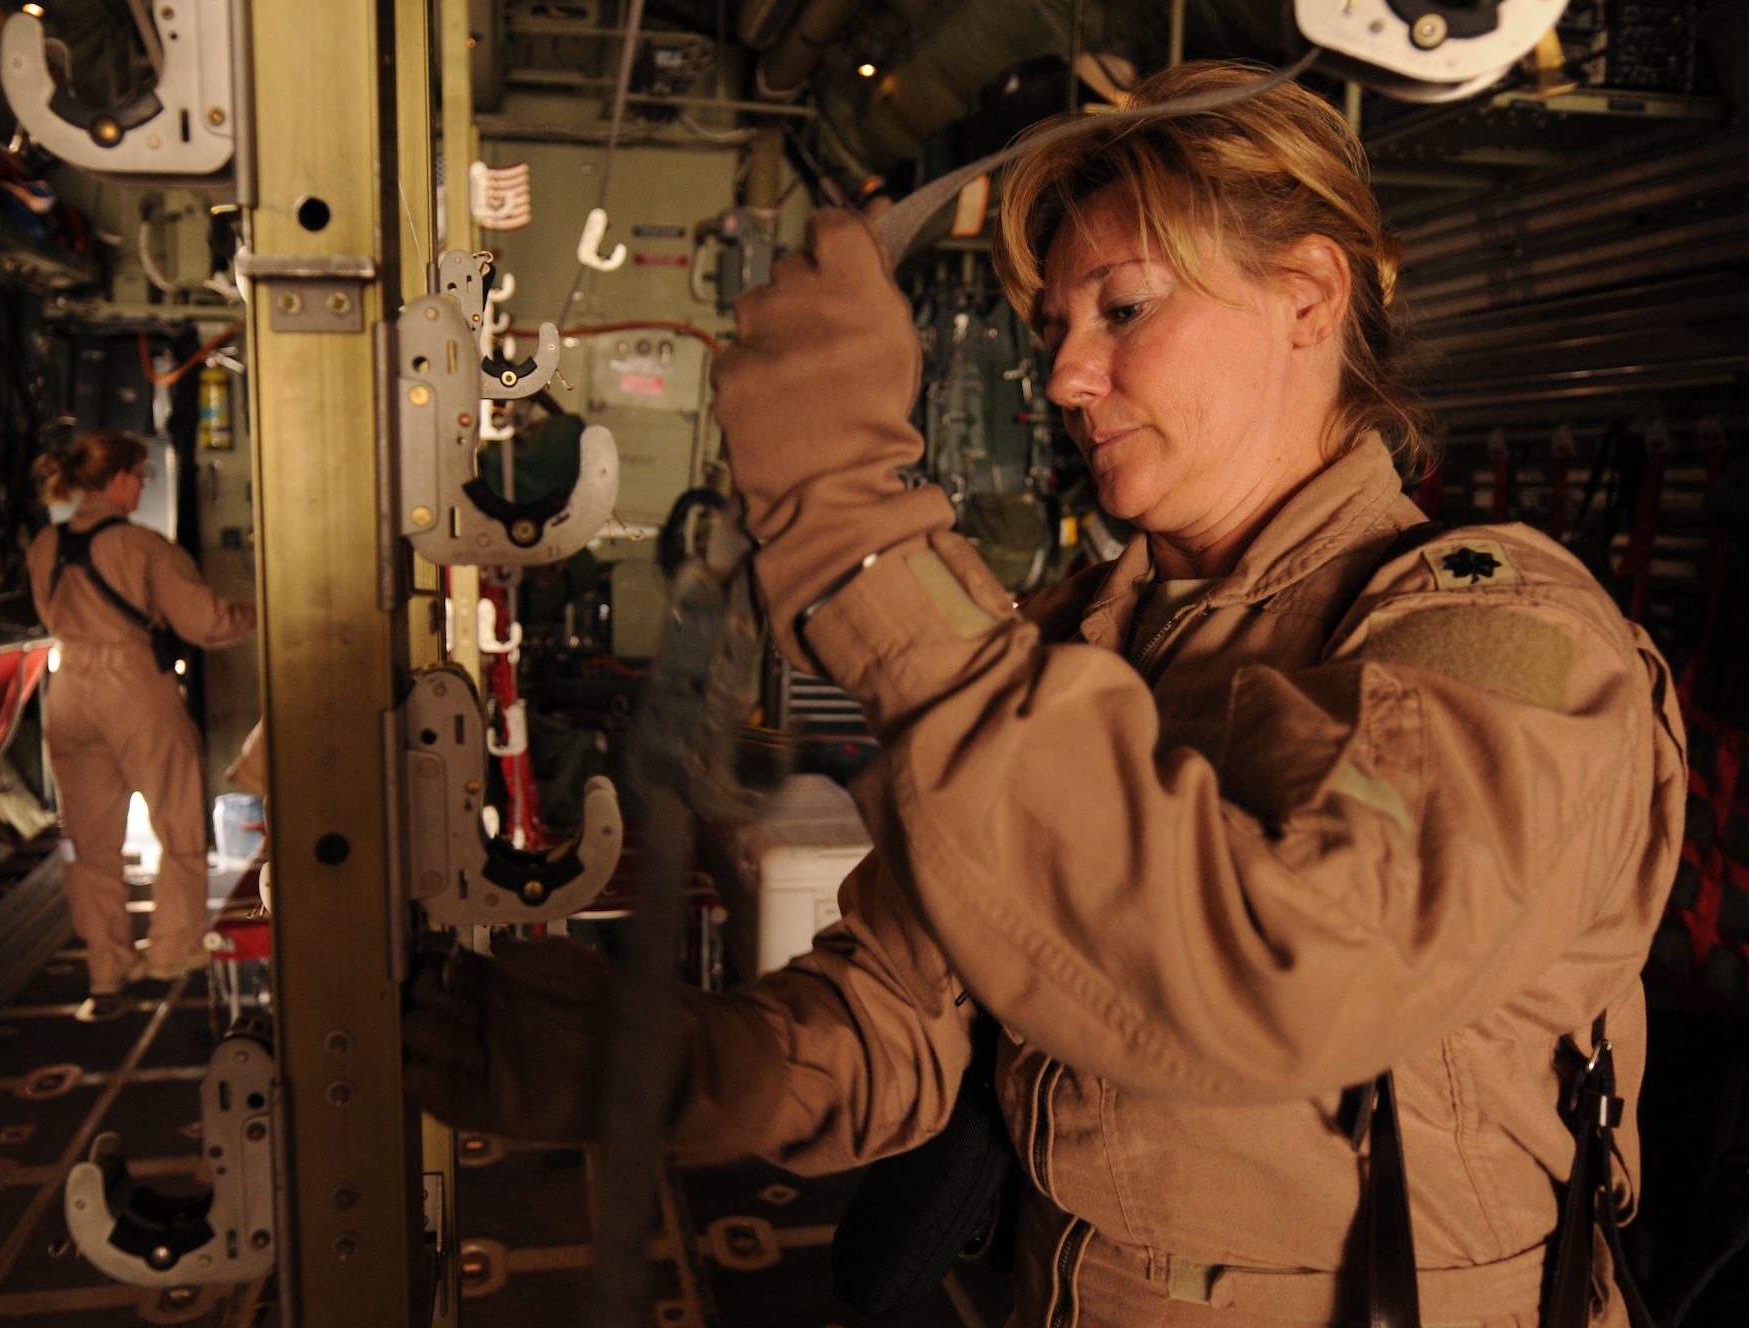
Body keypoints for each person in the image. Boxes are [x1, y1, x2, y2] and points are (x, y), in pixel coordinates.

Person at [406, 63, 1686, 1326]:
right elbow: (898, 1011)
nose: (1066, 379)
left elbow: (1295, 969)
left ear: (1305, 295)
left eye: (1121, 310)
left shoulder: (1497, 627)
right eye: (1056, 331)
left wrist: (856, 540)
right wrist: (660, 1068)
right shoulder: (1074, 643)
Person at [28, 429, 257, 998]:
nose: (141, 487)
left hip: (69, 687)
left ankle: (106, 964)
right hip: (133, 685)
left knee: (86, 837)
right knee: (176, 819)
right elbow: (204, 624)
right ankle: (171, 949)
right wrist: (263, 611)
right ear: (118, 478)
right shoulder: (143, 547)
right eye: (140, 475)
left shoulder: (44, 547)